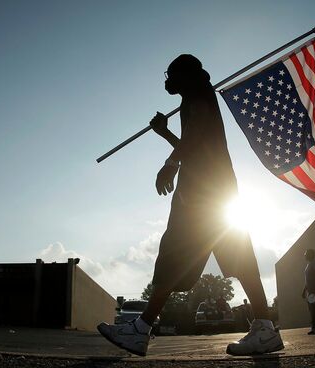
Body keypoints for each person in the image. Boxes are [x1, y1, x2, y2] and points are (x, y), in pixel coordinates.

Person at [97, 54, 283, 356]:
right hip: (214, 191)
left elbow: (193, 139)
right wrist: (166, 134)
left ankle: (141, 329)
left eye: (170, 74)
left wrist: (170, 164)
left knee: (177, 254)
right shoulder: (197, 99)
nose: (167, 79)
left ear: (184, 75)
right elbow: (194, 144)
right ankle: (264, 328)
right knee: (229, 257)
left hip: (202, 194)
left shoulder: (196, 95)